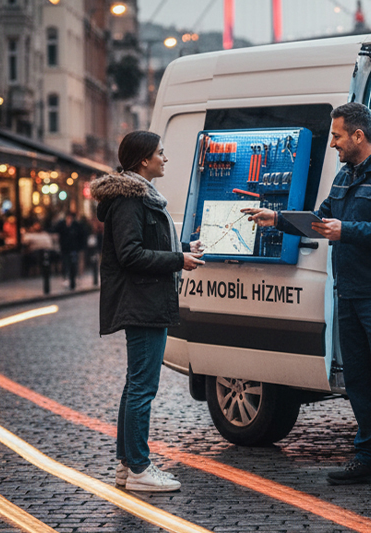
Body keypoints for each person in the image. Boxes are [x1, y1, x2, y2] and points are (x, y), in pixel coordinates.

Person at [243, 103, 371, 495]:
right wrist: (278, 219)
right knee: (357, 380)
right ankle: (369, 457)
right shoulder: (345, 176)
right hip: (351, 292)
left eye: (338, 136)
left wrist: (348, 231)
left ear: (358, 136)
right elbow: (321, 219)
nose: (334, 144)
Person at [90, 130, 205, 492]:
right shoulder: (130, 200)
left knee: (135, 387)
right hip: (142, 302)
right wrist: (178, 259)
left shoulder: (139, 195)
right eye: (160, 152)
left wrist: (185, 247)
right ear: (144, 160)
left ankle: (127, 466)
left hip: (146, 299)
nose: (165, 158)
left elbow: (148, 242)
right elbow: (131, 254)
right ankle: (139, 468)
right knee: (142, 388)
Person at [53, 211, 86, 288]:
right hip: (65, 248)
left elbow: (81, 236)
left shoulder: (76, 226)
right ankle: (66, 278)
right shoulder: (62, 225)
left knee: (73, 264)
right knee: (65, 263)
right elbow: (55, 230)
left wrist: (80, 247)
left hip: (74, 248)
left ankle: (73, 280)